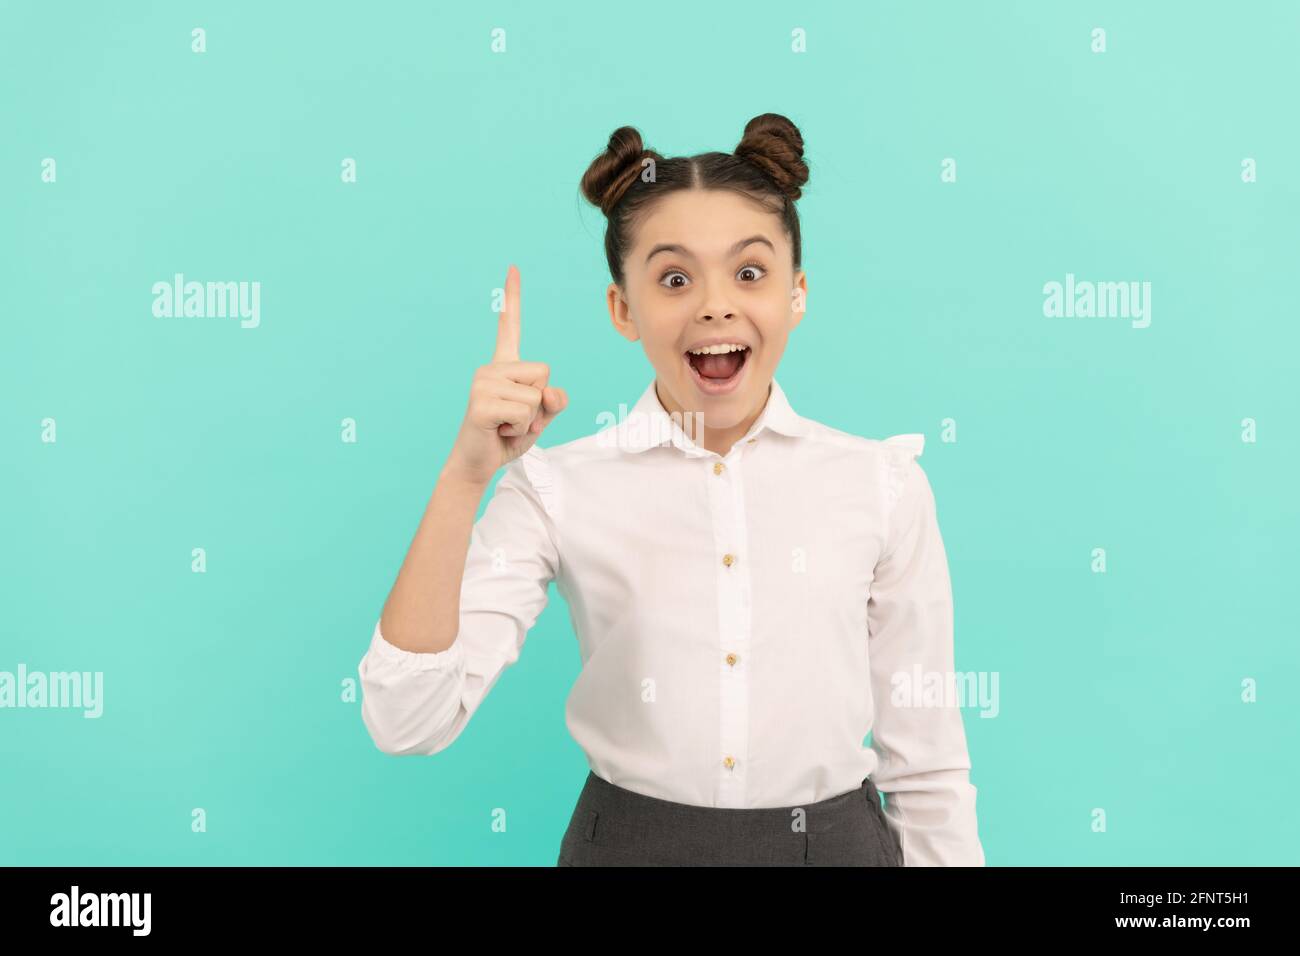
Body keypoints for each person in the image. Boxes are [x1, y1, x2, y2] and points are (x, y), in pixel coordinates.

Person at [357, 113, 985, 867]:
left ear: (797, 294)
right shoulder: (558, 488)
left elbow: (927, 761)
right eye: (675, 278)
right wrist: (464, 477)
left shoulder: (881, 485)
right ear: (625, 309)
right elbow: (406, 719)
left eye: (750, 272)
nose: (715, 304)